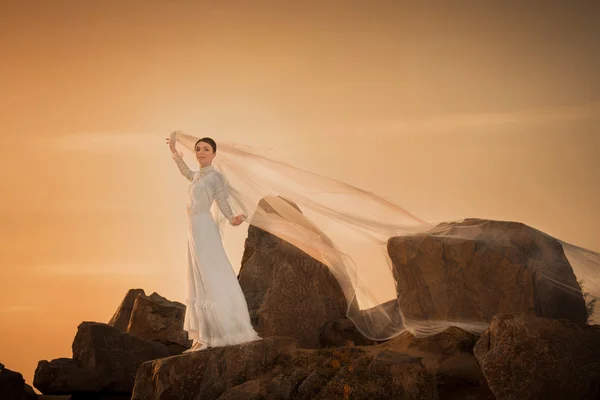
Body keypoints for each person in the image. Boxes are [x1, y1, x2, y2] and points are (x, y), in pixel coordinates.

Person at [166, 131, 261, 352]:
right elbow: (186, 172)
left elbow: (222, 199)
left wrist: (231, 218)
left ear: (214, 154)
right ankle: (203, 334)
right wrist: (174, 152)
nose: (200, 152)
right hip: (194, 229)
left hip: (205, 228)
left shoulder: (215, 177)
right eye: (198, 149)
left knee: (211, 273)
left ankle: (220, 331)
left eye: (206, 149)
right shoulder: (198, 176)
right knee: (197, 275)